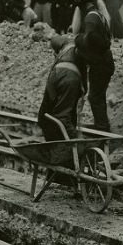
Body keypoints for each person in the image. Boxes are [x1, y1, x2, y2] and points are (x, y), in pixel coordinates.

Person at [38, 35, 85, 165]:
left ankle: (57, 148)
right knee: (63, 115)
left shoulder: (66, 46)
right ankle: (74, 141)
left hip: (56, 75)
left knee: (48, 112)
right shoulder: (78, 49)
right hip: (69, 78)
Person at [73, 0, 114, 132]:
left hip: (100, 63)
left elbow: (89, 38)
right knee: (98, 95)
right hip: (105, 61)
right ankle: (102, 124)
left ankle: (102, 127)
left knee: (95, 96)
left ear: (83, 5)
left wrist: (78, 40)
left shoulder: (90, 17)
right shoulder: (98, 15)